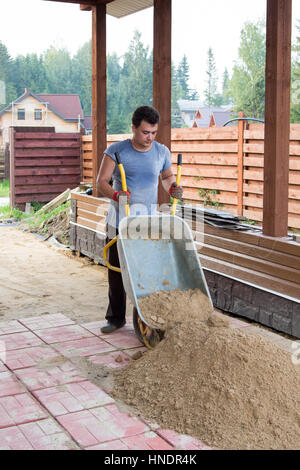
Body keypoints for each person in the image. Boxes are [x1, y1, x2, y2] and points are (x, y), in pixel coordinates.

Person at [97, 105, 183, 333]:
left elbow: (166, 177)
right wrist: (116, 195)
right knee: (116, 269)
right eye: (145, 132)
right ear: (133, 128)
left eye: (154, 133)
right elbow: (101, 182)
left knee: (146, 269)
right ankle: (115, 318)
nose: (150, 138)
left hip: (146, 222)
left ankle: (145, 315)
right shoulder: (116, 150)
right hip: (120, 220)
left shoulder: (161, 152)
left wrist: (172, 187)